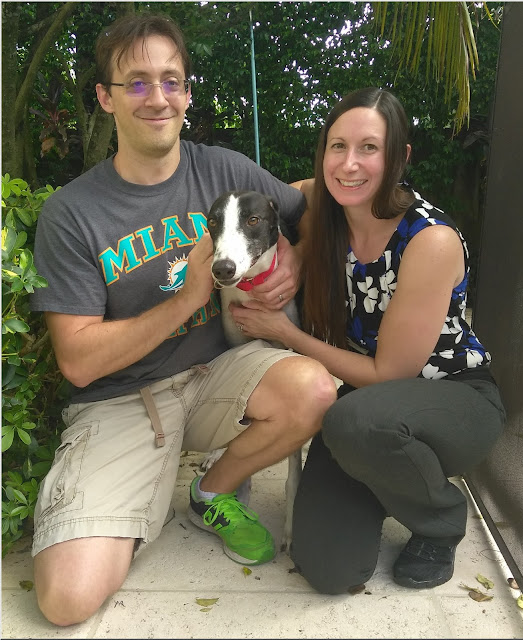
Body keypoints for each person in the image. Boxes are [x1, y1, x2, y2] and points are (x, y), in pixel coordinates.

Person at [29, 13, 337, 626]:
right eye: (136, 82)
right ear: (104, 98)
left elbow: (313, 200)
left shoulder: (224, 171)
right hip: (121, 403)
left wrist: (296, 258)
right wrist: (187, 297)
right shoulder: (72, 214)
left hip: (218, 373)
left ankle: (211, 491)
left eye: (171, 80)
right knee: (66, 601)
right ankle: (134, 496)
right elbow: (79, 360)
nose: (157, 96)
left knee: (314, 388)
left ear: (188, 94)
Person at [231, 87, 506, 594]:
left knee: (351, 418)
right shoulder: (325, 200)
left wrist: (285, 333)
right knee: (328, 569)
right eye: (337, 146)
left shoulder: (429, 240)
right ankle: (386, 477)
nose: (349, 164)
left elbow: (388, 375)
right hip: (372, 412)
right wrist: (298, 250)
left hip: (453, 397)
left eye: (369, 148)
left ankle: (440, 518)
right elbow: (259, 207)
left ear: (400, 155)